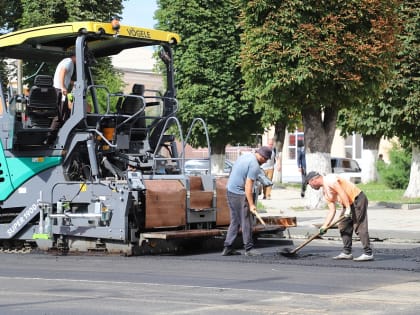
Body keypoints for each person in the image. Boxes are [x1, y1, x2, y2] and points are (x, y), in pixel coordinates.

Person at [305, 171, 374, 261]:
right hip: (348, 204)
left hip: (357, 199)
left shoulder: (329, 179)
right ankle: (347, 252)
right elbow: (332, 210)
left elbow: (342, 192)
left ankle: (368, 253)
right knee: (343, 225)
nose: (311, 187)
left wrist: (348, 209)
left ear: (313, 180)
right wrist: (325, 225)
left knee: (359, 226)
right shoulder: (325, 192)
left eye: (309, 184)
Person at [222, 146, 272, 256]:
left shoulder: (245, 156)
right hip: (239, 193)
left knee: (235, 220)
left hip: (230, 190)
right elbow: (248, 187)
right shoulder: (254, 165)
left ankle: (228, 247)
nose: (265, 162)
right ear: (262, 156)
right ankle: (249, 248)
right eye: (266, 159)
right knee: (246, 221)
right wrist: (251, 204)